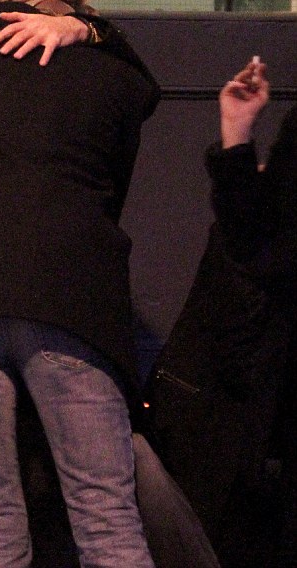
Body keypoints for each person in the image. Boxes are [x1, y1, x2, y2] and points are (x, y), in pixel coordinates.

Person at [0, 0, 224, 568]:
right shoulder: (119, 72)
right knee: (108, 524)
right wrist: (91, 32)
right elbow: (114, 177)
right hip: (67, 301)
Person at [150, 58, 296, 567]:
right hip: (242, 403)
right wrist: (237, 139)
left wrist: (238, 142)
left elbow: (255, 243)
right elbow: (255, 239)